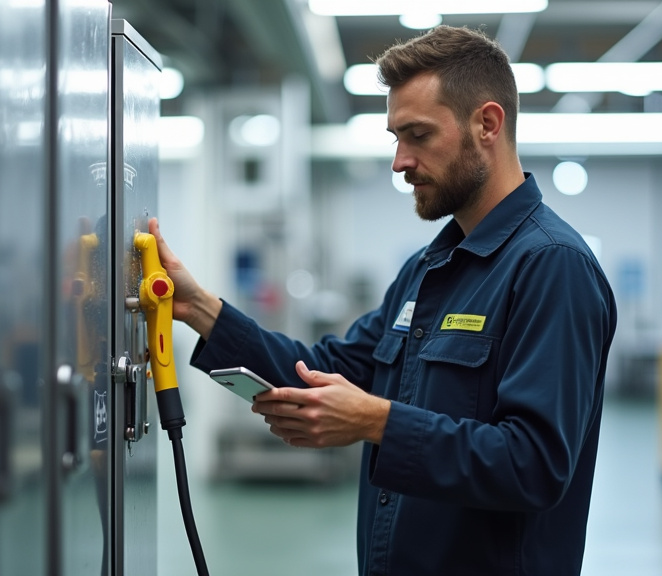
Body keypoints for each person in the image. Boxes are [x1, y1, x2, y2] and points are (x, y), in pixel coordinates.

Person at [149, 24, 617, 576]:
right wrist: (199, 307)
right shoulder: (426, 272)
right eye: (395, 137)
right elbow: (323, 372)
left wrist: (379, 423)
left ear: (487, 124)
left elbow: (534, 465)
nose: (399, 162)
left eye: (418, 135)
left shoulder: (550, 266)